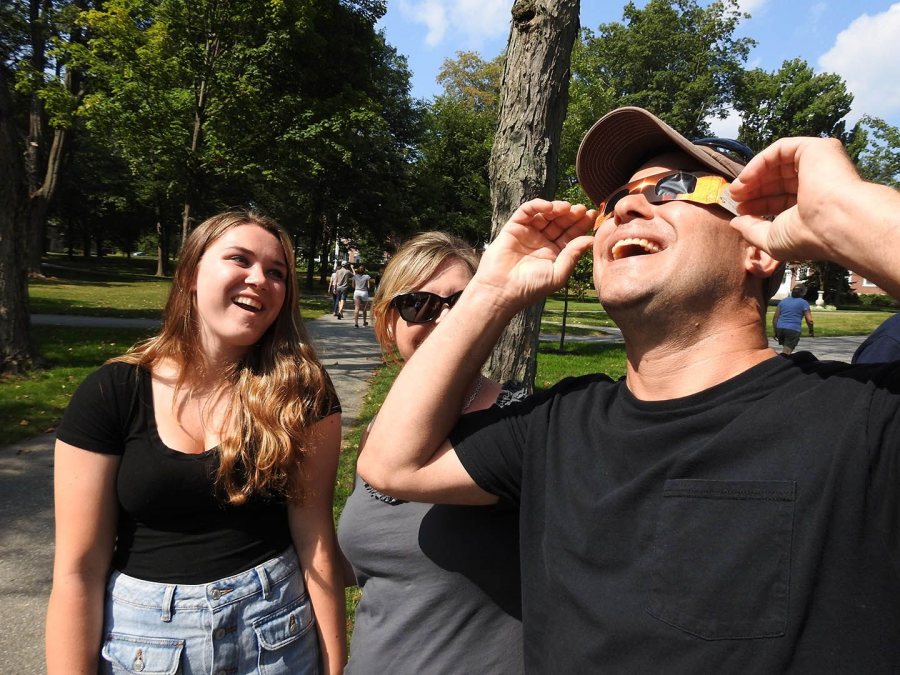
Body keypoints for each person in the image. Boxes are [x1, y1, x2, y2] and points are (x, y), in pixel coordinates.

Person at [357, 107, 900, 672]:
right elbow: (395, 464)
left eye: (674, 188)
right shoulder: (557, 423)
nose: (624, 206)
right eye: (615, 198)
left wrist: (845, 213)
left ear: (759, 245)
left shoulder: (866, 417)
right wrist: (492, 289)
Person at [46, 210, 347, 674]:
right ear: (190, 274)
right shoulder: (112, 392)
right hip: (145, 647)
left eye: (276, 272)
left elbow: (315, 538)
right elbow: (77, 570)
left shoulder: (302, 392)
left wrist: (333, 666)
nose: (259, 279)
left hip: (277, 638)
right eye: (239, 259)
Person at [337, 232, 524, 673]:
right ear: (387, 322)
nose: (445, 322)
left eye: (463, 303)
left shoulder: (523, 428)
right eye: (418, 304)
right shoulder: (377, 435)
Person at [772, 283, 814, 354]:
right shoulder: (804, 303)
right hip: (793, 329)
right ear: (803, 293)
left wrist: (775, 331)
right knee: (787, 352)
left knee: (785, 349)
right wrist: (811, 330)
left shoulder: (783, 301)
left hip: (780, 328)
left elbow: (775, 318)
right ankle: (779, 363)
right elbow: (810, 320)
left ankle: (781, 361)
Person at [351, 264, 373, 328]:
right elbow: (368, 286)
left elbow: (353, 286)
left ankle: (356, 324)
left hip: (357, 292)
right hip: (364, 292)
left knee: (356, 308)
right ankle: (364, 323)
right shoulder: (367, 276)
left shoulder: (355, 276)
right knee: (364, 308)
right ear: (364, 270)